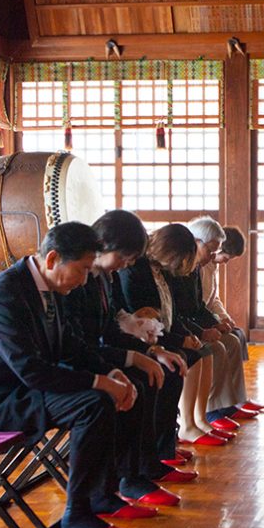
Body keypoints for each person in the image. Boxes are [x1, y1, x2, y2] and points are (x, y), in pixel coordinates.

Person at [0, 222, 140, 528]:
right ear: (53, 258)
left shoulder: (48, 286)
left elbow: (70, 345)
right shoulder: (3, 294)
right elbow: (32, 371)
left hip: (27, 392)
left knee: (112, 392)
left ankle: (102, 495)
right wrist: (100, 382)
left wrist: (111, 373)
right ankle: (78, 514)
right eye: (83, 270)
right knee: (93, 404)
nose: (85, 280)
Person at [60, 210, 195, 510]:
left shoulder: (102, 278)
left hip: (98, 352)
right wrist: (125, 362)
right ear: (104, 245)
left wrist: (151, 351)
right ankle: (124, 479)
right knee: (134, 383)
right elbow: (79, 342)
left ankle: (141, 469)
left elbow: (109, 328)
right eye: (125, 257)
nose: (128, 264)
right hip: (83, 360)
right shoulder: (76, 280)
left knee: (155, 371)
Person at [117, 224, 226, 449]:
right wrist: (177, 341)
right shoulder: (136, 270)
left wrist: (186, 335)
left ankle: (170, 440)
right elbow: (142, 316)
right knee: (173, 367)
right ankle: (161, 446)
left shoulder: (160, 269)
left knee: (192, 356)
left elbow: (171, 313)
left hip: (161, 336)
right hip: (142, 340)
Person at [187, 218, 262, 427]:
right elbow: (197, 305)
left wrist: (224, 318)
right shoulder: (198, 266)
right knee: (221, 345)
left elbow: (213, 300)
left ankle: (233, 401)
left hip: (205, 319)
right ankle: (212, 408)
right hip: (196, 324)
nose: (221, 260)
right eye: (223, 256)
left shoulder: (210, 265)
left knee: (236, 337)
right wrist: (213, 324)